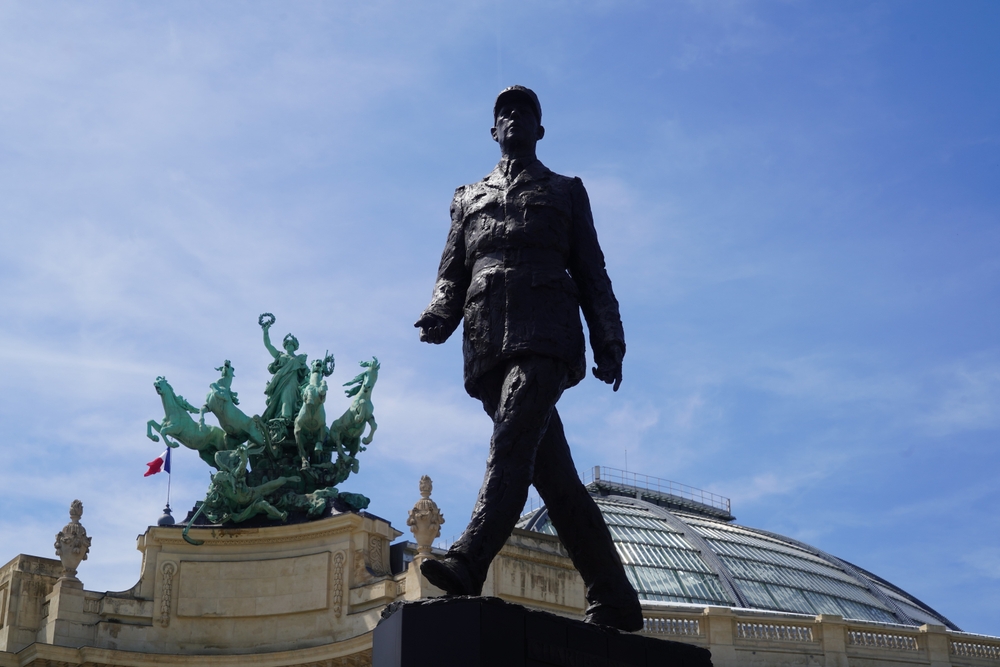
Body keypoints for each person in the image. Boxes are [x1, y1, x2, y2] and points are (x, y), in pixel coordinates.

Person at [414, 86, 643, 631]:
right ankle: (613, 594)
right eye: (505, 114)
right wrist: (439, 315)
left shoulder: (565, 191)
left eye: (525, 113)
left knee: (513, 438)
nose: (514, 118)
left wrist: (609, 338)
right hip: (487, 336)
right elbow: (452, 270)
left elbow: (592, 271)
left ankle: (469, 560)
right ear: (493, 131)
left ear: (540, 130)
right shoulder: (467, 196)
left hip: (547, 330)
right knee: (555, 478)